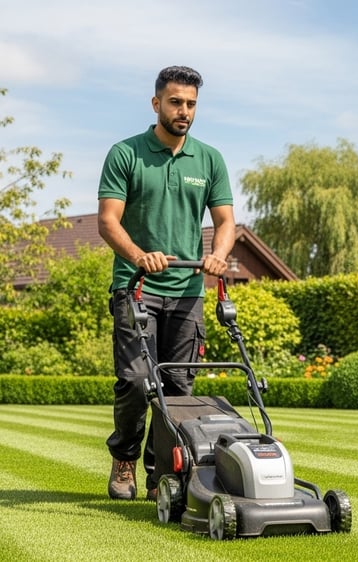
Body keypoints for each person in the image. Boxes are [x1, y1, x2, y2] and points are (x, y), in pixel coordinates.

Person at [97, 65, 235, 501]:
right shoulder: (126, 153)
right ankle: (124, 459)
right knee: (138, 381)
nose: (184, 111)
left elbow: (226, 221)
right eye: (175, 102)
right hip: (136, 286)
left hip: (187, 292)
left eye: (191, 104)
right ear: (156, 103)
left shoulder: (209, 159)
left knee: (178, 389)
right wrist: (140, 256)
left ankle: (162, 475)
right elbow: (108, 221)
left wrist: (218, 255)